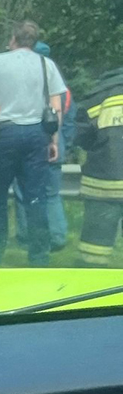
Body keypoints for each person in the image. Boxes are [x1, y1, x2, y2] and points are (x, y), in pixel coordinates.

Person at [0, 21, 66, 267]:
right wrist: (53, 141)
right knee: (36, 196)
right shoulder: (46, 65)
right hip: (35, 134)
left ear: (13, 40)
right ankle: (39, 257)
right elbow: (56, 107)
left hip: (5, 133)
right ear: (34, 42)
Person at [13, 42, 74, 250]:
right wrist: (63, 142)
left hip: (30, 142)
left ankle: (26, 236)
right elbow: (70, 120)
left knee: (23, 191)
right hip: (57, 145)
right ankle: (57, 237)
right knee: (51, 193)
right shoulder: (63, 88)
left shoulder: (25, 82)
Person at [74, 65, 123, 267]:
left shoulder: (100, 95)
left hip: (104, 181)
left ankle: (90, 280)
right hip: (105, 179)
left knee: (95, 246)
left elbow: (82, 135)